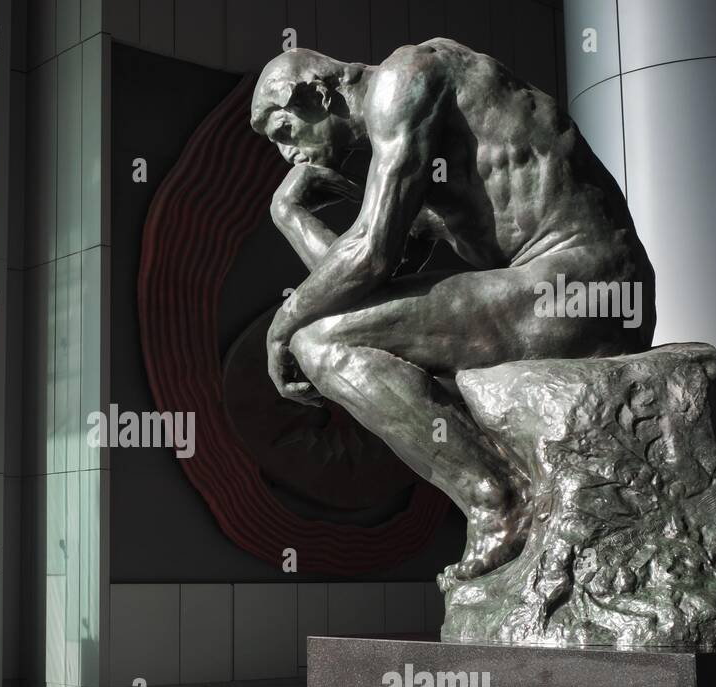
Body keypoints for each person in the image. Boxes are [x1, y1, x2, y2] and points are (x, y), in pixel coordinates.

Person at [250, 43, 655, 580]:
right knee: (323, 338)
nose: (288, 154)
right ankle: (498, 496)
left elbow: (369, 256)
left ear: (316, 95)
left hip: (587, 287)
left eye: (284, 132)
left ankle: (497, 500)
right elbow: (361, 292)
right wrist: (289, 214)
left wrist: (282, 326)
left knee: (317, 342)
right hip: (554, 286)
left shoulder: (405, 80)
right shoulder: (409, 143)